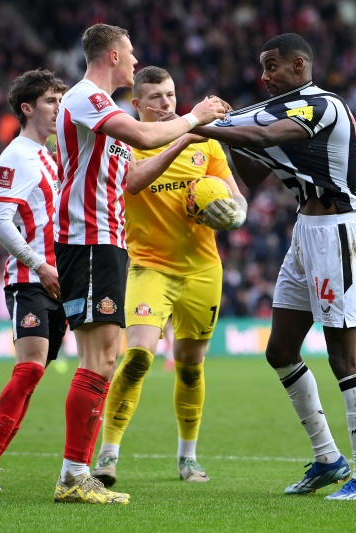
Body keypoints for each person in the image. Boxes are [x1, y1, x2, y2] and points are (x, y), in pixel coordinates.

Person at [191, 33, 356, 500]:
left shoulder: (320, 105)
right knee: (280, 349)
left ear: (300, 65)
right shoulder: (282, 110)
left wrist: (202, 126)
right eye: (262, 67)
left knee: (343, 356)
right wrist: (226, 131)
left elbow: (265, 135)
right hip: (305, 234)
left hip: (338, 231)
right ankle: (328, 458)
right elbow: (254, 170)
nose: (265, 76)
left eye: (272, 66)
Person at [52, 23, 225, 505]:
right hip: (89, 239)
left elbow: (133, 163)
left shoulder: (97, 104)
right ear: (111, 55)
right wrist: (195, 118)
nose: (133, 61)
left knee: (103, 360)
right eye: (129, 54)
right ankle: (74, 473)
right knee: (100, 360)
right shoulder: (87, 97)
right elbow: (143, 135)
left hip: (106, 242)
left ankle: (79, 472)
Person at [90, 66, 247, 487]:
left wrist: (233, 215)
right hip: (148, 266)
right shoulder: (127, 142)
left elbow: (235, 198)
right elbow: (133, 186)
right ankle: (108, 455)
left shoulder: (207, 143)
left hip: (202, 269)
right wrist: (183, 138)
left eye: (171, 95)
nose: (166, 103)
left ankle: (188, 458)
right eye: (156, 97)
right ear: (136, 104)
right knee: (138, 356)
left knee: (191, 366)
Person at [0, 69, 67, 494]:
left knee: (37, 373)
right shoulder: (16, 156)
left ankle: (75, 468)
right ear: (27, 108)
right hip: (31, 278)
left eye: (61, 102)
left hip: (63, 281)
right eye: (50, 102)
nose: (58, 109)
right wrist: (38, 264)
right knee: (27, 370)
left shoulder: (49, 155)